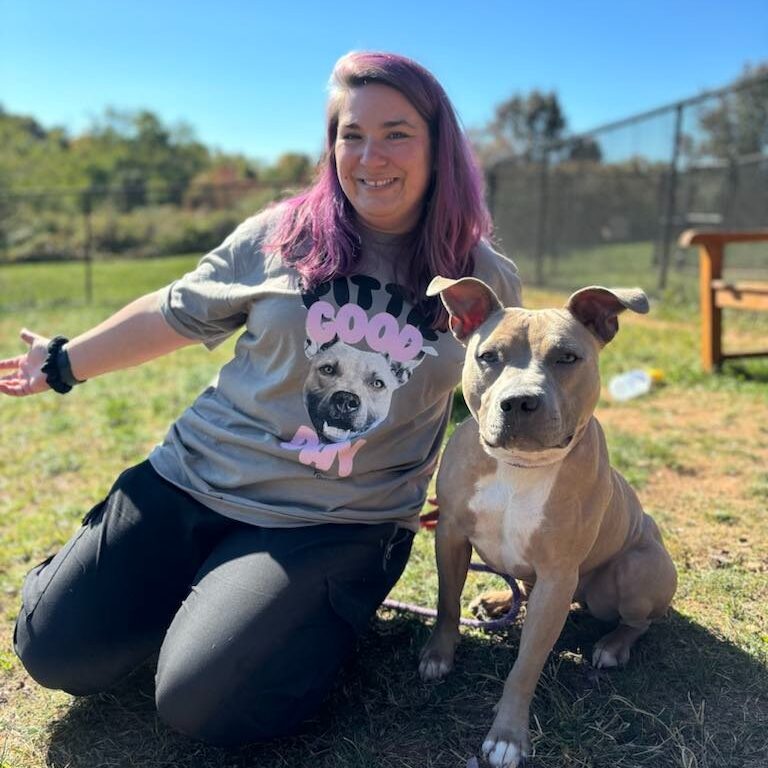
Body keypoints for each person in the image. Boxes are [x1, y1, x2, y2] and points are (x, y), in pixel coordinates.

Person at [2, 51, 522, 747]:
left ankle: (270, 618)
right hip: (191, 482)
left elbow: (506, 391)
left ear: (439, 148)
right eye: (351, 134)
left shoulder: (481, 277)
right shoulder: (285, 235)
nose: (371, 156)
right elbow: (175, 311)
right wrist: (62, 363)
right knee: (52, 649)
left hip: (333, 524)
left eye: (397, 133)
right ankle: (177, 591)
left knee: (205, 706)